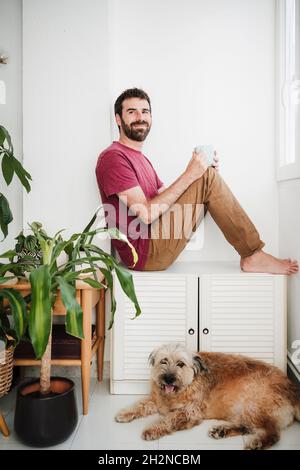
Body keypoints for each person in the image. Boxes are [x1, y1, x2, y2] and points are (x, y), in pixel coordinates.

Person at [96, 88, 298, 275]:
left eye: (145, 111)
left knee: (206, 177)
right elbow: (147, 213)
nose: (140, 117)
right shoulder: (113, 158)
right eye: (132, 112)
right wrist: (193, 175)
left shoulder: (140, 158)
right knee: (205, 178)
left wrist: (198, 174)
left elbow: (166, 201)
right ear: (118, 119)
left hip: (157, 238)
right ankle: (252, 254)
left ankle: (251, 253)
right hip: (144, 252)